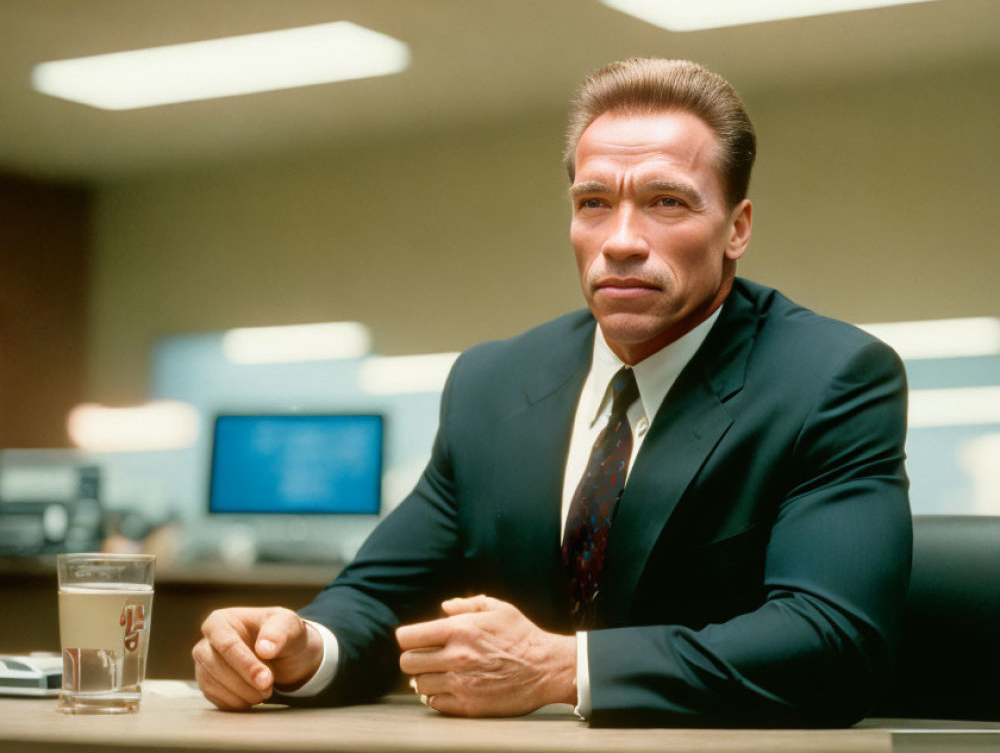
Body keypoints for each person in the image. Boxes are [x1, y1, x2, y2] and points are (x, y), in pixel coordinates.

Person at [192, 58, 911, 727]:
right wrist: (299, 649)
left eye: (666, 202)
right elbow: (381, 596)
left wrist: (566, 668)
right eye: (594, 202)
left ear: (737, 229)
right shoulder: (492, 383)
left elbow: (834, 639)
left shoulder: (832, 378)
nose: (621, 240)